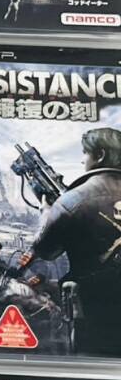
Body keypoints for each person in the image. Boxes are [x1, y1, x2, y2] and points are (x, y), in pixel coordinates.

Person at [29, 127, 121, 355]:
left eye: (85, 153)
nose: (82, 160)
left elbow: (46, 251)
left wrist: (46, 213)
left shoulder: (72, 201)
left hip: (93, 313)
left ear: (100, 155)